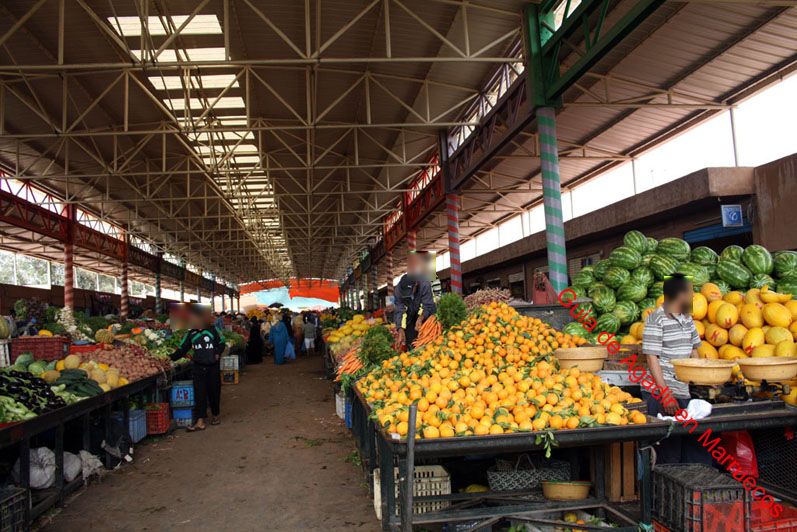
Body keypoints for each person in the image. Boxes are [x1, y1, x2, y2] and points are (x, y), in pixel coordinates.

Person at [642, 272, 709, 464]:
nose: (693, 295)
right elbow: (651, 357)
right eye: (689, 291)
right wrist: (664, 393)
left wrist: (701, 380)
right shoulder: (656, 319)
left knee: (685, 448)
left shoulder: (687, 318)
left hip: (682, 390)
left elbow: (694, 351)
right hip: (660, 393)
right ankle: (662, 492)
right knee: (667, 452)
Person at [171, 305, 226, 431]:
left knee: (214, 392)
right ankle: (200, 420)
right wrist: (170, 358)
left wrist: (217, 352)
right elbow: (182, 349)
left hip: (213, 367)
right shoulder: (191, 334)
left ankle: (215, 415)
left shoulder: (213, 330)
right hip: (198, 367)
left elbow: (222, 342)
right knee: (199, 393)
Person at [394, 251, 437, 350]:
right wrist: (400, 328)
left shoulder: (424, 284)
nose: (408, 295)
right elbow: (400, 309)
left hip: (426, 312)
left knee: (427, 334)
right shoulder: (399, 290)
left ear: (416, 285)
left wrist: (421, 317)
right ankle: (413, 351)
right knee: (410, 339)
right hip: (410, 314)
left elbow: (427, 305)